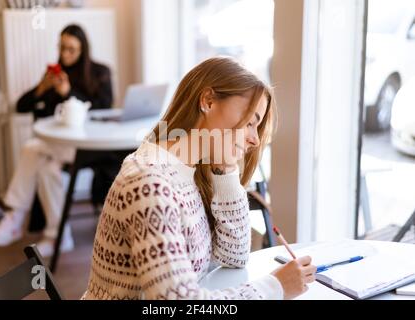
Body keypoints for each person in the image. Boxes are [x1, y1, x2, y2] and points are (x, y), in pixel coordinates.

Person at [82, 57, 316, 300]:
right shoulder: (149, 182)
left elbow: (233, 255)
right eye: (250, 122)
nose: (254, 139)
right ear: (208, 101)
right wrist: (275, 287)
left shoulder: (186, 171)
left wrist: (226, 169)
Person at [0, 24, 115, 257]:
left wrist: (68, 94)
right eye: (62, 47)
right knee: (47, 168)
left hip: (88, 147)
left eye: (71, 49)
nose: (65, 54)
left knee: (32, 147)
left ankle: (15, 216)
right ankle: (57, 237)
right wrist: (41, 88)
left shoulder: (99, 72)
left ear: (83, 50)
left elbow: (103, 108)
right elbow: (21, 106)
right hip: (60, 148)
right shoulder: (55, 75)